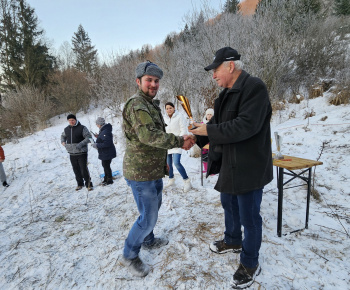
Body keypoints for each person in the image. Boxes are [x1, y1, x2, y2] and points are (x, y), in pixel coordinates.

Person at [191, 47, 273, 289]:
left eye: (215, 70)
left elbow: (245, 126)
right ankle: (233, 240)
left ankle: (249, 262)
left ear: (230, 66)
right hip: (230, 164)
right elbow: (216, 125)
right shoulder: (224, 95)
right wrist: (197, 136)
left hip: (249, 166)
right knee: (228, 204)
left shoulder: (254, 88)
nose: (213, 76)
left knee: (250, 216)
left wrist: (208, 130)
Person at [121, 60, 195, 277]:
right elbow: (148, 136)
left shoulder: (150, 104)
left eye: (156, 81)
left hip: (152, 170)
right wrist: (180, 141)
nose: (153, 84)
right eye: (149, 80)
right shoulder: (137, 105)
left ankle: (148, 240)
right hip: (140, 173)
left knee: (151, 212)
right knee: (148, 217)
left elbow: (153, 136)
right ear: (138, 81)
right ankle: (129, 255)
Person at [163, 102, 192, 192]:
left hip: (177, 142)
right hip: (168, 143)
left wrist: (179, 140)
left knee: (176, 163)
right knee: (168, 164)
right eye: (167, 108)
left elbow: (183, 129)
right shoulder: (164, 118)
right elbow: (163, 130)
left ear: (174, 108)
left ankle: (187, 181)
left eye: (170, 108)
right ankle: (171, 179)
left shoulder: (179, 116)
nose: (169, 110)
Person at [61, 114, 93, 191]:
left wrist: (80, 144)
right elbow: (63, 136)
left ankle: (88, 184)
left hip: (81, 152)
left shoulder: (82, 128)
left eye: (72, 120)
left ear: (75, 120)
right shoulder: (66, 129)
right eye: (69, 120)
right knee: (76, 169)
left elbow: (89, 138)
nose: (71, 122)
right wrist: (63, 141)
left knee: (83, 169)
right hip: (72, 153)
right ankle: (79, 184)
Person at [91, 117, 116, 186]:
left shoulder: (105, 131)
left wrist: (97, 145)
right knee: (105, 165)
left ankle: (109, 180)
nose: (96, 125)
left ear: (100, 124)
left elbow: (107, 143)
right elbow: (104, 138)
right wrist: (98, 136)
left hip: (107, 152)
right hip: (105, 152)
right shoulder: (104, 130)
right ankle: (106, 178)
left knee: (106, 165)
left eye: (97, 124)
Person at [201, 108, 214, 173]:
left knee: (211, 156)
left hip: (212, 142)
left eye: (210, 114)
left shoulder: (215, 123)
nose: (209, 116)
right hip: (204, 142)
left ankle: (211, 170)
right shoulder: (203, 123)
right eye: (208, 114)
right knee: (204, 156)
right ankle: (206, 169)